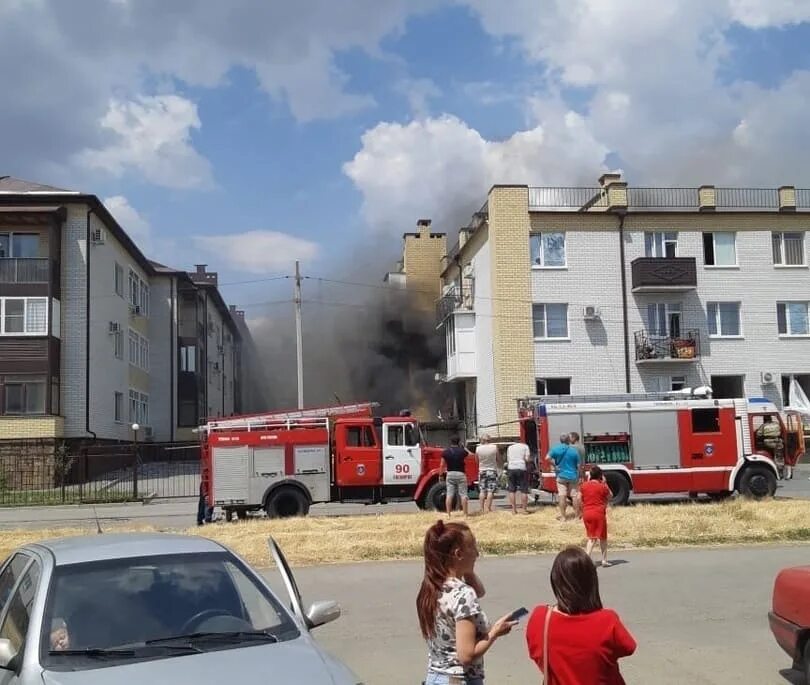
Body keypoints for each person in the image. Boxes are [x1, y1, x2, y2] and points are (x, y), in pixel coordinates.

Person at [417, 520, 517, 684]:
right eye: (473, 547)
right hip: (459, 679)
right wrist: (494, 632)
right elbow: (466, 655)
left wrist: (467, 570)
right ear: (458, 554)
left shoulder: (431, 587)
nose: (477, 554)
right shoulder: (463, 593)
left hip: (435, 676)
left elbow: (479, 592)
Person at [526, 546, 636, 684]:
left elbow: (536, 653)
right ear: (591, 581)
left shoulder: (540, 618)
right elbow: (628, 647)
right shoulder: (607, 620)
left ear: (555, 581)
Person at [580, 466, 612, 567]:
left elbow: (579, 497)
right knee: (602, 538)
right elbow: (610, 496)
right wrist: (605, 483)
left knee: (591, 537)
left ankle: (588, 558)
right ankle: (602, 560)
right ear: (600, 476)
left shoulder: (584, 486)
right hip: (598, 513)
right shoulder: (602, 486)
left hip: (587, 513)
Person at [547, 434, 581, 521]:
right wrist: (579, 475)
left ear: (560, 440)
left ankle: (563, 517)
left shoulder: (555, 449)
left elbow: (547, 458)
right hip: (573, 476)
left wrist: (555, 465)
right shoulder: (574, 451)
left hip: (561, 475)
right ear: (568, 440)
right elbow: (579, 465)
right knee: (574, 496)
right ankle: (577, 516)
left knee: (562, 496)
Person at [442, 436, 472, 516]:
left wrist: (440, 474)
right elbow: (471, 455)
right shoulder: (462, 451)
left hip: (450, 474)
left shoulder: (445, 452)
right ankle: (465, 514)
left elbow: (442, 464)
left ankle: (448, 514)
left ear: (450, 442)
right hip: (460, 474)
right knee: (463, 495)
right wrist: (464, 447)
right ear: (459, 442)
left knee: (449, 494)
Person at [475, 435, 499, 514]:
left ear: (483, 440)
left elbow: (476, 460)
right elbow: (498, 459)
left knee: (482, 490)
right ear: (489, 440)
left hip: (482, 470)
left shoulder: (478, 448)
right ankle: (488, 508)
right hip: (492, 470)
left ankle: (481, 508)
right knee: (490, 491)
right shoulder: (494, 447)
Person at [505, 440, 531, 514]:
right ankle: (524, 510)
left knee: (512, 490)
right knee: (524, 490)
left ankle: (513, 510)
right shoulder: (525, 446)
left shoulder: (509, 447)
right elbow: (527, 459)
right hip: (521, 468)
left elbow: (508, 459)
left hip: (511, 468)